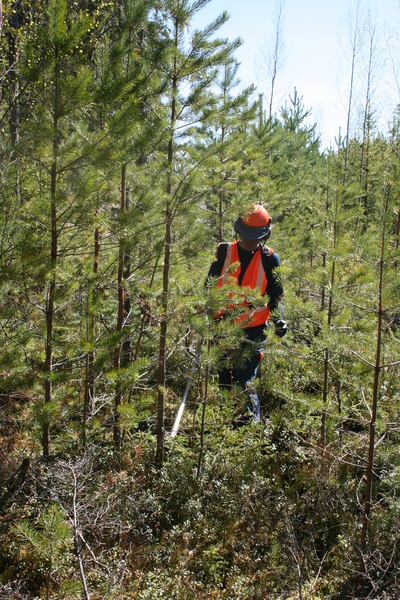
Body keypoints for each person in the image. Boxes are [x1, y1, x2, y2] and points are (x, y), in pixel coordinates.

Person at [207, 203, 287, 425]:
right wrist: (201, 319)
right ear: (238, 229)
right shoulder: (224, 252)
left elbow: (276, 298)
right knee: (225, 382)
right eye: (246, 235)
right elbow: (208, 289)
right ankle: (228, 430)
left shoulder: (270, 259)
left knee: (244, 381)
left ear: (266, 234)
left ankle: (250, 431)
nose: (251, 241)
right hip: (222, 328)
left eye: (256, 236)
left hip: (253, 332)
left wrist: (279, 319)